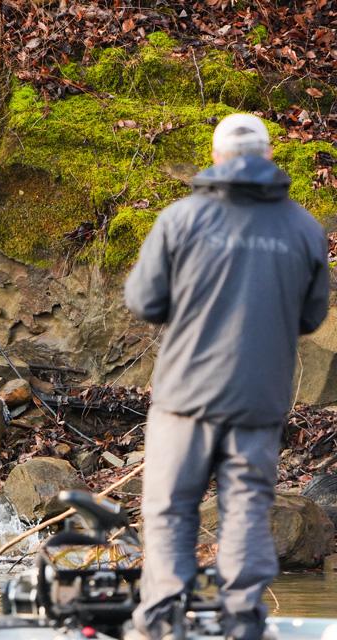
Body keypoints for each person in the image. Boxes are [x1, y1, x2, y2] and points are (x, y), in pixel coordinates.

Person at [124, 113, 330, 640]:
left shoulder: (181, 219)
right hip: (259, 399)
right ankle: (242, 621)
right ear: (268, 157)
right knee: (246, 510)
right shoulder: (304, 228)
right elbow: (312, 317)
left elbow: (144, 301)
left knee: (171, 509)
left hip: (186, 396)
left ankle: (163, 621)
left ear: (216, 157)